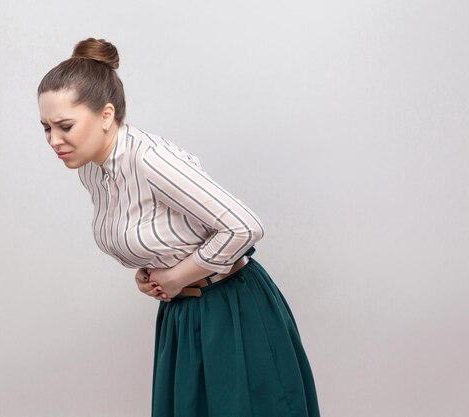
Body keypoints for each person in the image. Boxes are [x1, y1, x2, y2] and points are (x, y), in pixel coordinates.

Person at [37, 37, 321, 417]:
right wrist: (148, 273)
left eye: (65, 126)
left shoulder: (151, 160)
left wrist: (176, 276)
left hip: (233, 312)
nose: (55, 141)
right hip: (182, 315)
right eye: (45, 129)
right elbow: (154, 230)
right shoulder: (91, 168)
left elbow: (244, 228)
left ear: (106, 116)